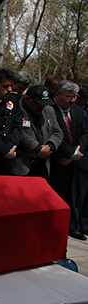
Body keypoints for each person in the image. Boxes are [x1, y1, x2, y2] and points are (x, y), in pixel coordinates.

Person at [50, 80, 88, 240]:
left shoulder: (78, 110)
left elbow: (85, 132)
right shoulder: (49, 109)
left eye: (75, 96)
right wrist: (70, 153)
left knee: (72, 195)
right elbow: (54, 133)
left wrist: (76, 152)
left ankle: (69, 226)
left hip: (74, 160)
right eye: (68, 97)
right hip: (56, 160)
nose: (72, 100)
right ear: (57, 94)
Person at [11, 85, 62, 179]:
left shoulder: (49, 109)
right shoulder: (16, 108)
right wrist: (36, 148)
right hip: (23, 163)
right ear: (28, 98)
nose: (41, 107)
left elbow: (58, 132)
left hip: (43, 162)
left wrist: (49, 147)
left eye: (44, 104)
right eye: (38, 104)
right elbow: (18, 131)